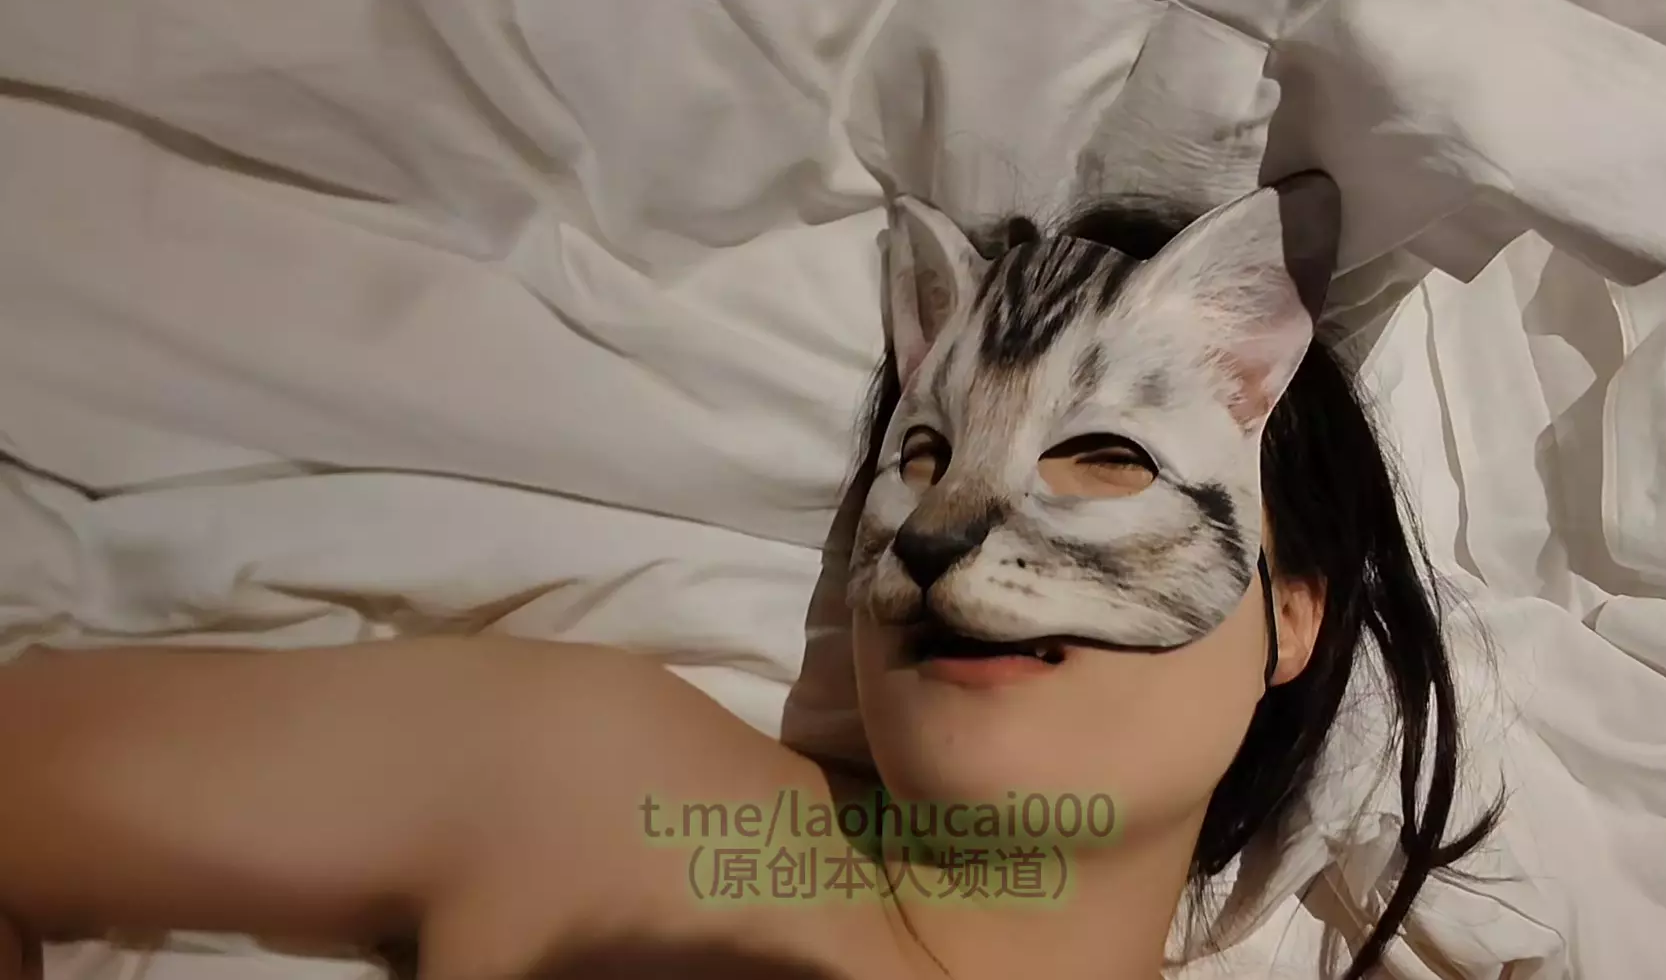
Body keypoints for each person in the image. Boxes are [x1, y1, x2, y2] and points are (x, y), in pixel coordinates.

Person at [0, 192, 1496, 980]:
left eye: (1102, 455)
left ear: (1291, 613)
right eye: (924, 454)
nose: (949, 531)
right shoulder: (590, 793)